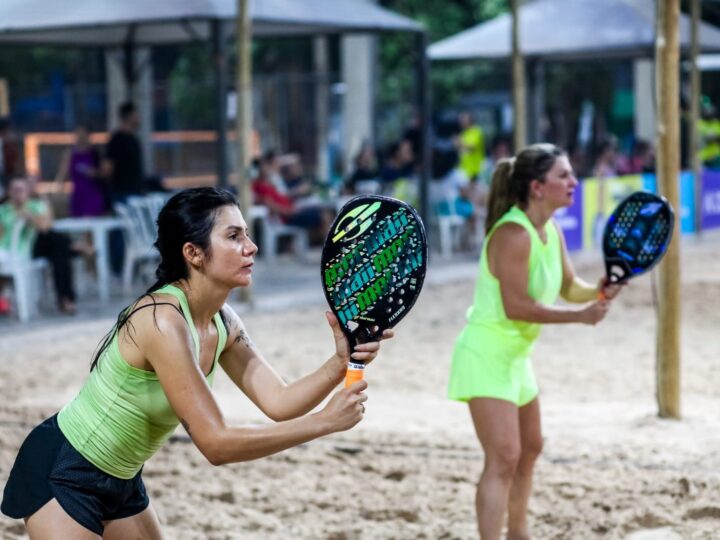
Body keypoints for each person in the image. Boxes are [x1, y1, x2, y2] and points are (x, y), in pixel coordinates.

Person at [1, 187, 393, 538]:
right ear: (193, 253)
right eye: (234, 236)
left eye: (247, 234)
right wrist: (323, 423)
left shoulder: (223, 321)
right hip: (63, 470)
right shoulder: (162, 320)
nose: (251, 247)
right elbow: (215, 444)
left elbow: (279, 402)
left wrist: (339, 361)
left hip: (122, 479)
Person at [447, 144, 623, 540]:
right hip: (486, 353)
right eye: (564, 175)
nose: (574, 182)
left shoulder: (551, 230)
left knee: (531, 448)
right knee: (504, 457)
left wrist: (600, 290)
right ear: (537, 187)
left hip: (515, 356)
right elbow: (517, 307)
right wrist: (580, 317)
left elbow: (569, 287)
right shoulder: (512, 233)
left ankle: (519, 534)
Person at [0, 176, 80, 314]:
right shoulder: (4, 210)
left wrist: (29, 215)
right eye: (14, 190)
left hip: (35, 245)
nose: (18, 193)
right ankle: (75, 247)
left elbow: (45, 227)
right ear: (9, 192)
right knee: (60, 245)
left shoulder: (35, 205)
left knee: (57, 244)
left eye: (21, 189)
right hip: (12, 251)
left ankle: (66, 297)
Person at [54, 125, 106, 217]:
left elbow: (103, 173)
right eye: (78, 135)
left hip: (92, 194)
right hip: (78, 194)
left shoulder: (95, 153)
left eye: (83, 135)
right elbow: (63, 172)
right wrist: (58, 187)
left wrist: (93, 172)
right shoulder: (70, 153)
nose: (80, 138)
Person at [102, 101, 144, 204]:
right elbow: (107, 169)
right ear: (129, 116)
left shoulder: (134, 140)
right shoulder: (116, 140)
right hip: (121, 194)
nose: (139, 117)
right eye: (136, 114)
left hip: (135, 192)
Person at [458, 111, 486, 182]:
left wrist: (459, 143)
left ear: (470, 120)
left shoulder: (476, 131)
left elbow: (472, 147)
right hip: (464, 170)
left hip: (475, 170)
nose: (461, 121)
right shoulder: (464, 133)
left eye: (463, 119)